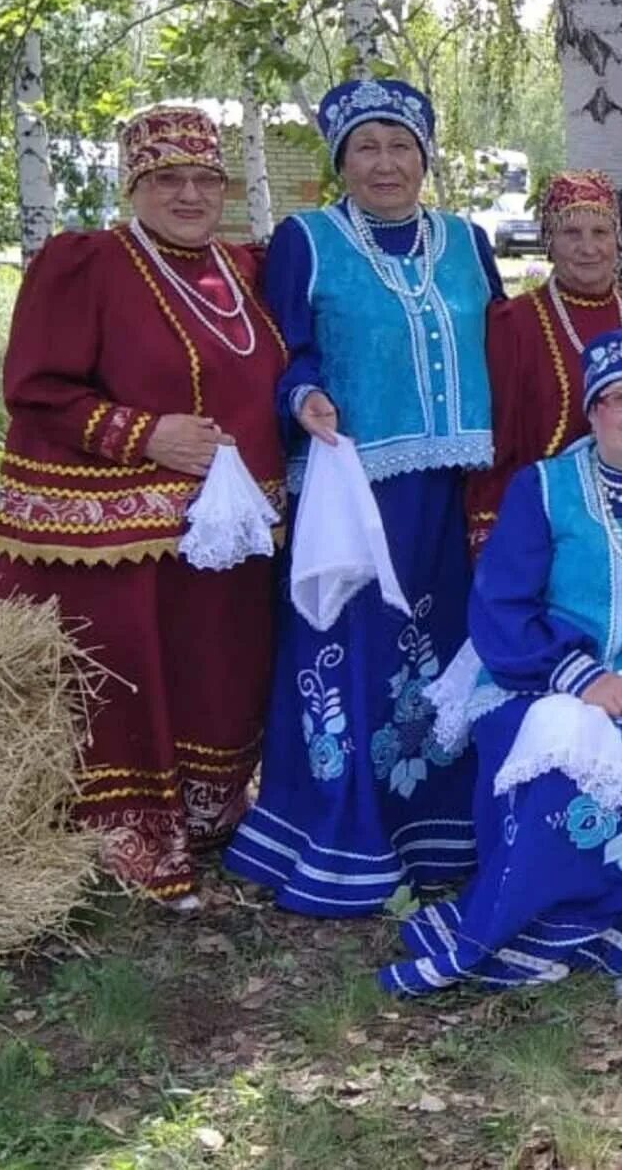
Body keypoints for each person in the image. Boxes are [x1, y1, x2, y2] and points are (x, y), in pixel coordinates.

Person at [380, 329, 622, 1000]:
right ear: (595, 409)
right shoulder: (543, 487)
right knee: (553, 777)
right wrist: (582, 678)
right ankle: (526, 931)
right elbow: (502, 603)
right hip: (539, 680)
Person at [0, 105, 287, 906]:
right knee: (137, 682)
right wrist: (142, 433)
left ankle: (213, 819)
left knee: (222, 672)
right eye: (167, 179)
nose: (189, 195)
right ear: (134, 184)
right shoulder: (86, 263)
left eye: (204, 179)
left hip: (229, 535)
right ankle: (135, 840)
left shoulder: (246, 271)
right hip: (124, 542)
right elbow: (36, 387)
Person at [224, 78, 502, 915]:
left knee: (441, 657)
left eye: (401, 146)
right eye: (366, 148)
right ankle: (339, 838)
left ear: (425, 157)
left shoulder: (468, 241)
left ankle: (438, 837)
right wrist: (300, 400)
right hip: (350, 491)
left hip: (450, 494)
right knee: (347, 657)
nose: (386, 163)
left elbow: (505, 348)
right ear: (341, 161)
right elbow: (282, 351)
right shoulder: (306, 241)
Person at [464, 170, 622, 553]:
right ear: (549, 242)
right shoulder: (514, 324)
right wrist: (491, 532)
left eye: (600, 233)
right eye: (572, 234)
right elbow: (497, 440)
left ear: (618, 239)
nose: (588, 248)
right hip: (550, 526)